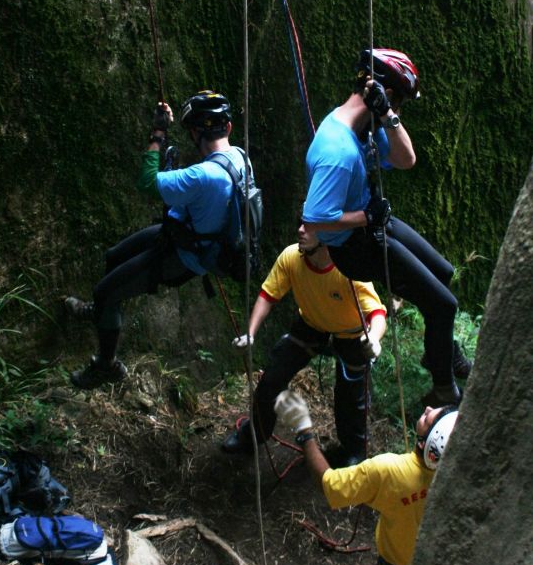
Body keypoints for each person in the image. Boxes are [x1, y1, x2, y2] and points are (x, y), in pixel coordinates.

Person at [302, 48, 471, 407]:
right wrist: (366, 217)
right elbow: (314, 220)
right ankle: (443, 388)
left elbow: (406, 159)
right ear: (389, 92)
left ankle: (439, 352)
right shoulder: (338, 152)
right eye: (400, 102)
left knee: (443, 273)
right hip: (355, 245)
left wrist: (387, 114)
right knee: (444, 306)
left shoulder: (366, 127)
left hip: (374, 222)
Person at [65, 90, 256, 388]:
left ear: (194, 132)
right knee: (113, 256)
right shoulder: (241, 158)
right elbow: (203, 197)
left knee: (105, 292)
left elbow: (147, 180)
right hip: (183, 234)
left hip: (182, 256)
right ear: (228, 128)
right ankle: (105, 311)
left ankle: (107, 365)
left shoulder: (201, 175)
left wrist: (158, 133)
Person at [274, 388, 459, 565]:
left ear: (432, 442)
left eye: (430, 418)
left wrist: (304, 432)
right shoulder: (455, 478)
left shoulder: (388, 471)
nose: (426, 409)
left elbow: (330, 485)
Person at [222, 221, 386, 466]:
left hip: (352, 334)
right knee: (272, 378)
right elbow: (268, 295)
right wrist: (251, 333)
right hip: (311, 324)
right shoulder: (291, 257)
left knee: (351, 397)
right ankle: (253, 435)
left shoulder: (347, 268)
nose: (300, 230)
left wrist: (373, 338)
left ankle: (354, 452)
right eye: (301, 224)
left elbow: (377, 313)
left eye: (309, 227)